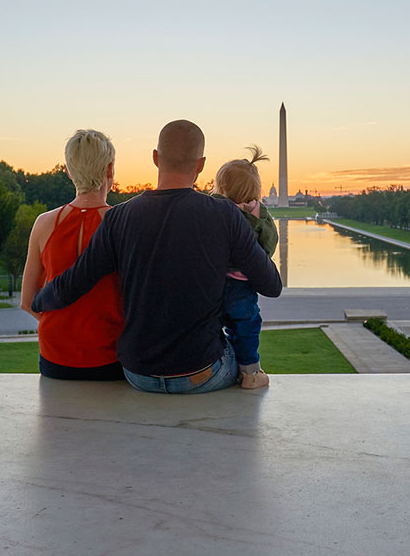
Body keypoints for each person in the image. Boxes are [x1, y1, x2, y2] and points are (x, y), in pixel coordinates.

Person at [31, 119, 282, 394]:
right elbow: (271, 285)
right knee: (243, 347)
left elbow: (73, 283)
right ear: (200, 164)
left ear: (155, 158)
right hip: (202, 372)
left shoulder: (119, 217)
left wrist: (39, 300)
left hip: (138, 373)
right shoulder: (226, 216)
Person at [21, 129, 125, 380]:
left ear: (68, 171)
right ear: (110, 170)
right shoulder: (122, 224)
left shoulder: (44, 223)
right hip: (110, 357)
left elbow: (27, 301)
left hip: (55, 358)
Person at [210, 146, 278, 390]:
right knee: (247, 325)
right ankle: (250, 372)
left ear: (222, 187)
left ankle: (216, 362)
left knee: (214, 323)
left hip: (214, 283)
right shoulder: (260, 216)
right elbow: (269, 246)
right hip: (243, 285)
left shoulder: (213, 208)